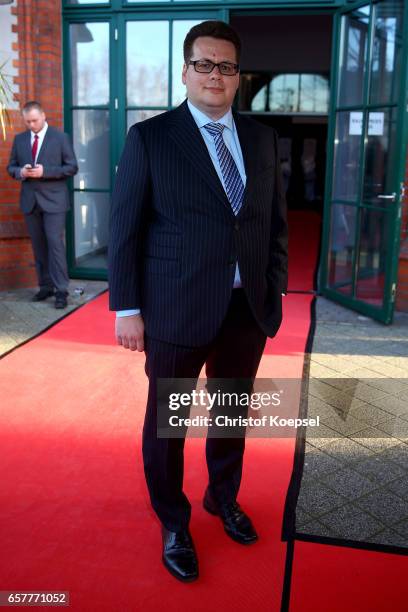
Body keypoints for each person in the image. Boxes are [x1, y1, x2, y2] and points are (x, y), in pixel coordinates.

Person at [109, 21, 288, 583]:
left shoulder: (262, 139)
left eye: (227, 66)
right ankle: (172, 520)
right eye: (204, 64)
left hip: (245, 309)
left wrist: (274, 287)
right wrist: (127, 307)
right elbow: (125, 230)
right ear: (185, 71)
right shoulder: (152, 137)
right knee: (168, 423)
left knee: (231, 415)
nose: (216, 74)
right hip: (175, 309)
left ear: (239, 76)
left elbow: (272, 224)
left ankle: (221, 497)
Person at [7, 101, 78, 308]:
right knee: (38, 246)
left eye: (34, 120)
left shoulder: (60, 138)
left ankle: (61, 291)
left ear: (44, 116)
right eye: (27, 121)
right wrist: (20, 171)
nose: (31, 125)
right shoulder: (20, 140)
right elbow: (11, 166)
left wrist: (44, 172)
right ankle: (45, 286)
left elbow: (72, 167)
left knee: (55, 245)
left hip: (54, 202)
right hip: (30, 201)